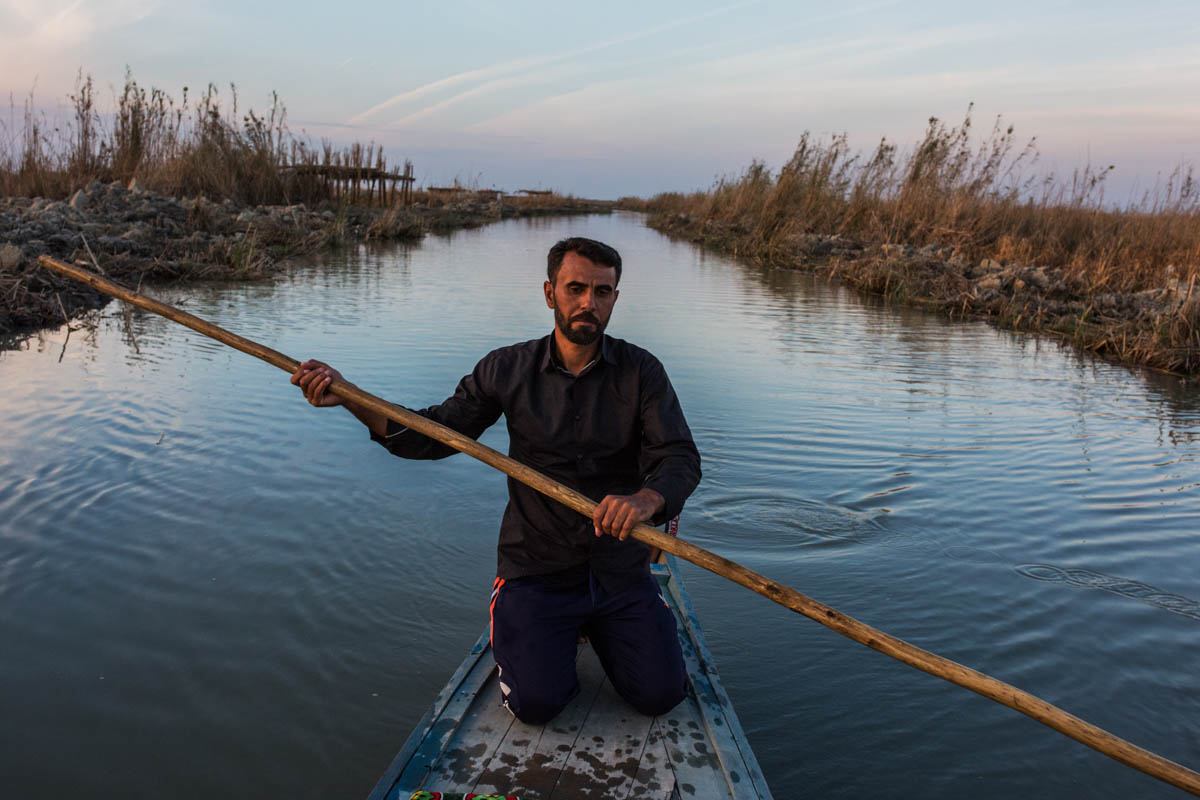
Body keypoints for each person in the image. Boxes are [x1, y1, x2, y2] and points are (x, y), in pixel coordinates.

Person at [291, 236, 702, 724]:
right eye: (575, 288)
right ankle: (541, 627)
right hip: (538, 567)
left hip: (618, 568)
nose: (588, 303)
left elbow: (679, 458)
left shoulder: (641, 372)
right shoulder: (507, 369)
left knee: (661, 695)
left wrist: (646, 500)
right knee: (537, 704)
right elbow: (435, 434)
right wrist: (352, 398)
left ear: (615, 297)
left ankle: (607, 622)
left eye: (603, 291)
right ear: (550, 293)